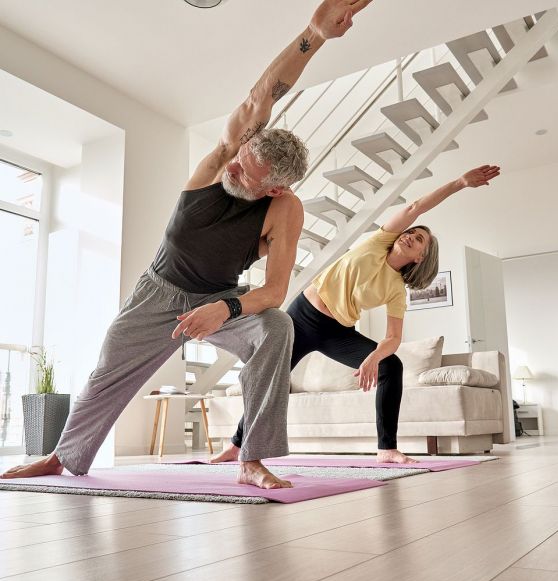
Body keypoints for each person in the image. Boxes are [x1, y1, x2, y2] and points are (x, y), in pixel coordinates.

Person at [1, 0, 373, 489]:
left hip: (217, 298)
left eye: (246, 173)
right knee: (106, 371)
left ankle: (252, 459)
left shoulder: (285, 211)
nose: (232, 170)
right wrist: (314, 34)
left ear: (275, 188)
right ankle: (61, 457)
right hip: (157, 290)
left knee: (277, 328)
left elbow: (275, 291)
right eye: (239, 158)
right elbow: (261, 96)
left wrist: (226, 308)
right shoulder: (221, 161)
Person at [213, 164, 501, 464]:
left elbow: (393, 337)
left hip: (337, 331)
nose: (410, 237)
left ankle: (387, 449)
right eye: (412, 233)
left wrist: (374, 358)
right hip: (303, 316)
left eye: (418, 241)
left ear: (419, 258)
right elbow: (416, 206)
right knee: (273, 377)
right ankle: (237, 445)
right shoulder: (380, 241)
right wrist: (459, 181)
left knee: (393, 366)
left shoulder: (395, 290)